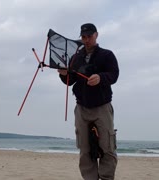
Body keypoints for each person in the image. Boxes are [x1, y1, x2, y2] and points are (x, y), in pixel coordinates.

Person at [58, 23, 119, 180]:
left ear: (96, 35)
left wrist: (100, 78)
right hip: (81, 108)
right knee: (84, 150)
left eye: (89, 36)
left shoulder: (107, 55)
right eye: (83, 37)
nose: (86, 40)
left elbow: (114, 74)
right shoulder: (75, 58)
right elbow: (69, 81)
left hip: (102, 107)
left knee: (107, 147)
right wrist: (64, 74)